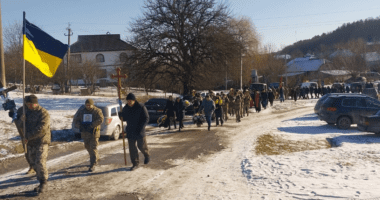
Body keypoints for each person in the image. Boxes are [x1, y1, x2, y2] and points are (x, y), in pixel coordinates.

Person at [12, 95, 51, 193]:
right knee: (33, 162)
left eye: (31, 104)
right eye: (27, 104)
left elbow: (42, 129)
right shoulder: (24, 111)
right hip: (30, 142)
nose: (29, 106)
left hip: (42, 140)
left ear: (36, 103)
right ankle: (40, 178)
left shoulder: (43, 113)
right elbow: (19, 125)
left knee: (40, 161)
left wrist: (27, 136)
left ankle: (43, 182)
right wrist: (21, 119)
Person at [119, 93, 150, 171]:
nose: (129, 102)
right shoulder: (126, 108)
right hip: (130, 130)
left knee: (141, 146)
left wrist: (142, 127)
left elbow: (146, 118)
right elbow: (125, 118)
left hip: (139, 130)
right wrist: (120, 115)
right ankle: (135, 164)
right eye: (128, 101)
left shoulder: (141, 107)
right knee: (132, 149)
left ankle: (146, 155)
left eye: (130, 101)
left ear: (134, 100)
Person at [73, 99, 104, 172]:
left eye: (89, 105)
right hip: (85, 132)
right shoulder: (82, 111)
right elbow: (76, 120)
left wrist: (91, 125)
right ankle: (95, 157)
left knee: (93, 147)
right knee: (87, 146)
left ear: (92, 105)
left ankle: (92, 164)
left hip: (94, 132)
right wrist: (80, 126)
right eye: (87, 105)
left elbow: (101, 119)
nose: (88, 107)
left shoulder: (97, 111)